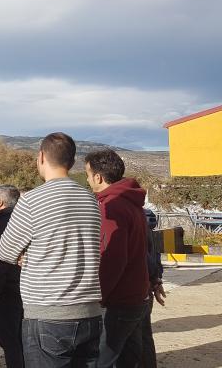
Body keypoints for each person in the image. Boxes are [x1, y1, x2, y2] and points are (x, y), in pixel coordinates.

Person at [0, 132, 103, 367]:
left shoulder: (31, 200)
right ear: (72, 161)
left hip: (48, 315)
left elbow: (5, 251)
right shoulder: (90, 200)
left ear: (41, 157)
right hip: (90, 313)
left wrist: (26, 257)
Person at [84, 149, 151, 368]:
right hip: (137, 297)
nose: (87, 179)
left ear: (98, 177)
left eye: (87, 174)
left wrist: (99, 297)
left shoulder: (111, 207)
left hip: (118, 302)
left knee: (101, 361)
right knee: (129, 360)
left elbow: (112, 258)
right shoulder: (133, 202)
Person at [0, 184, 24, 368]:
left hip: (6, 291)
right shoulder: (24, 220)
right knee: (22, 339)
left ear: (0, 202)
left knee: (9, 342)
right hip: (26, 288)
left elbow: (1, 261)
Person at [140, 208, 165, 367]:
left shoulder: (131, 219)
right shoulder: (146, 222)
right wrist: (156, 280)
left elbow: (147, 258)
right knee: (145, 333)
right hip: (148, 285)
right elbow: (154, 256)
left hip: (136, 287)